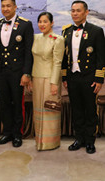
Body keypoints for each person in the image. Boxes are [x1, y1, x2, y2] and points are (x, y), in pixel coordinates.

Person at [61, 1, 105, 154]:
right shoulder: (65, 31)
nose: (75, 13)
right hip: (73, 77)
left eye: (78, 11)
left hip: (89, 77)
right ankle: (79, 138)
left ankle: (90, 140)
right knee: (77, 109)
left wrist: (99, 79)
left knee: (90, 110)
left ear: (86, 12)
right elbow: (64, 57)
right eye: (72, 10)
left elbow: (101, 57)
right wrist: (64, 78)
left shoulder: (96, 31)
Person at [0, 0, 33, 147]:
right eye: (3, 6)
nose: (5, 9)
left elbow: (28, 52)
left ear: (15, 7)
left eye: (8, 6)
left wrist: (26, 73)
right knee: (4, 103)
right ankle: (7, 133)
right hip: (2, 71)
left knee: (17, 104)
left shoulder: (25, 25)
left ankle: (17, 134)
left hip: (17, 72)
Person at [31, 12, 65, 151]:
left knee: (50, 109)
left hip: (50, 78)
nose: (42, 24)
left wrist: (54, 83)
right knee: (38, 110)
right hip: (36, 77)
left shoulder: (58, 39)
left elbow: (58, 62)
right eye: (40, 21)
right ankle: (39, 142)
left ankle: (51, 142)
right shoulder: (35, 37)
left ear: (52, 23)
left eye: (45, 21)